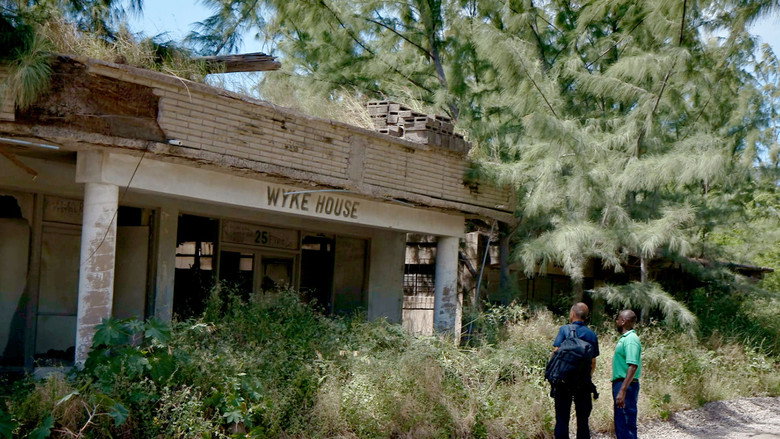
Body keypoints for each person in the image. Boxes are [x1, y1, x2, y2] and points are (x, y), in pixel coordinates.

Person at [552, 302, 599, 439]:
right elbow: (593, 361)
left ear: (572, 314)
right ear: (586, 316)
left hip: (563, 381)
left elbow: (556, 352)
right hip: (583, 382)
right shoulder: (591, 334)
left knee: (561, 419)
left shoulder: (564, 330)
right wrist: (587, 377)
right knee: (583, 420)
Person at [612, 310, 642, 439]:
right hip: (622, 384)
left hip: (626, 385)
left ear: (623, 321)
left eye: (618, 319)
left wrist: (622, 390)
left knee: (626, 421)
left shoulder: (630, 339)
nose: (617, 321)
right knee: (621, 421)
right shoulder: (626, 338)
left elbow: (633, 365)